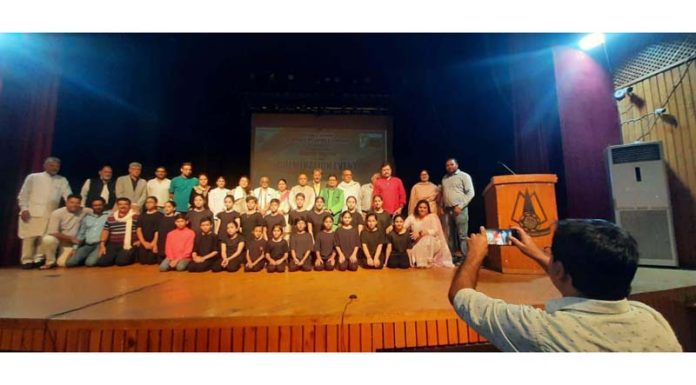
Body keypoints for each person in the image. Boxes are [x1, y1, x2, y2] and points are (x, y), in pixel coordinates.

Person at [448, 220, 683, 352]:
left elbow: (461, 295)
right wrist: (536, 253)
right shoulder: (653, 320)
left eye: (551, 252)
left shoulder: (541, 331)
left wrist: (475, 254)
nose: (547, 253)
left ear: (560, 270)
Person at [17, 156, 72, 268]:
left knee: (43, 238)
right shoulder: (33, 177)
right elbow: (24, 194)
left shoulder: (62, 180)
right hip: (32, 212)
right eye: (52, 165)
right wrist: (24, 209)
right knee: (30, 238)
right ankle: (27, 260)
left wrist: (73, 205)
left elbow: (68, 195)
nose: (55, 168)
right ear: (45, 165)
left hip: (51, 214)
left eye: (57, 166)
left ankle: (39, 258)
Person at [40, 194, 88, 269]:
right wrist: (70, 238)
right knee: (48, 239)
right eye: (72, 202)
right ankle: (50, 262)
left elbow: (97, 211)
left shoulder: (84, 210)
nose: (74, 205)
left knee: (62, 263)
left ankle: (60, 257)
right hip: (60, 240)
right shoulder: (57, 213)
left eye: (77, 203)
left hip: (73, 243)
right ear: (66, 202)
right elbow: (52, 232)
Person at [404, 200, 453, 268]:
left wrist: (420, 233)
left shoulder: (432, 217)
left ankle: (427, 262)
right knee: (422, 242)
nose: (422, 209)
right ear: (417, 208)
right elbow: (403, 226)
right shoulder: (412, 217)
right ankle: (421, 262)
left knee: (428, 238)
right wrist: (392, 226)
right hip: (417, 243)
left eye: (424, 208)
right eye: (420, 207)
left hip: (433, 243)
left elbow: (435, 231)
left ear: (428, 209)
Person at [441, 158, 474, 257]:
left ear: (457, 165)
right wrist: (442, 206)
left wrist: (460, 206)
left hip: (460, 210)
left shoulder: (464, 176)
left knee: (462, 235)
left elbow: (471, 193)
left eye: (451, 164)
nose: (449, 167)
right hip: (448, 210)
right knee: (450, 235)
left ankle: (465, 258)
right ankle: (453, 257)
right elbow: (444, 194)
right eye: (447, 165)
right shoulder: (444, 178)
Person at [95, 197, 140, 267]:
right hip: (113, 244)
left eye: (125, 204)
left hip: (128, 244)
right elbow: (105, 230)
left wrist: (139, 240)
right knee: (102, 262)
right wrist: (102, 244)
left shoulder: (135, 217)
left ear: (129, 206)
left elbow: (141, 230)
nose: (123, 206)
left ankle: (130, 255)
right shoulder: (111, 218)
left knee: (121, 262)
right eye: (120, 204)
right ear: (117, 206)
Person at [67, 197, 110, 267]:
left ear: (104, 205)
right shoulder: (87, 217)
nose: (98, 207)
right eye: (95, 205)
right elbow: (81, 234)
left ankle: (91, 258)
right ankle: (84, 257)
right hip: (88, 244)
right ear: (92, 206)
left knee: (90, 263)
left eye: (100, 205)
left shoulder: (109, 215)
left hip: (100, 245)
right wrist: (75, 248)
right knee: (70, 263)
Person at [135, 196, 163, 265]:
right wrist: (143, 242)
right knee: (143, 261)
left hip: (155, 241)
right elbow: (138, 229)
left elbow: (158, 231)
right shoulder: (142, 215)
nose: (148, 204)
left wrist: (154, 243)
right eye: (147, 202)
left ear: (156, 204)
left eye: (151, 202)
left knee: (151, 261)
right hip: (144, 241)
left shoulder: (160, 215)